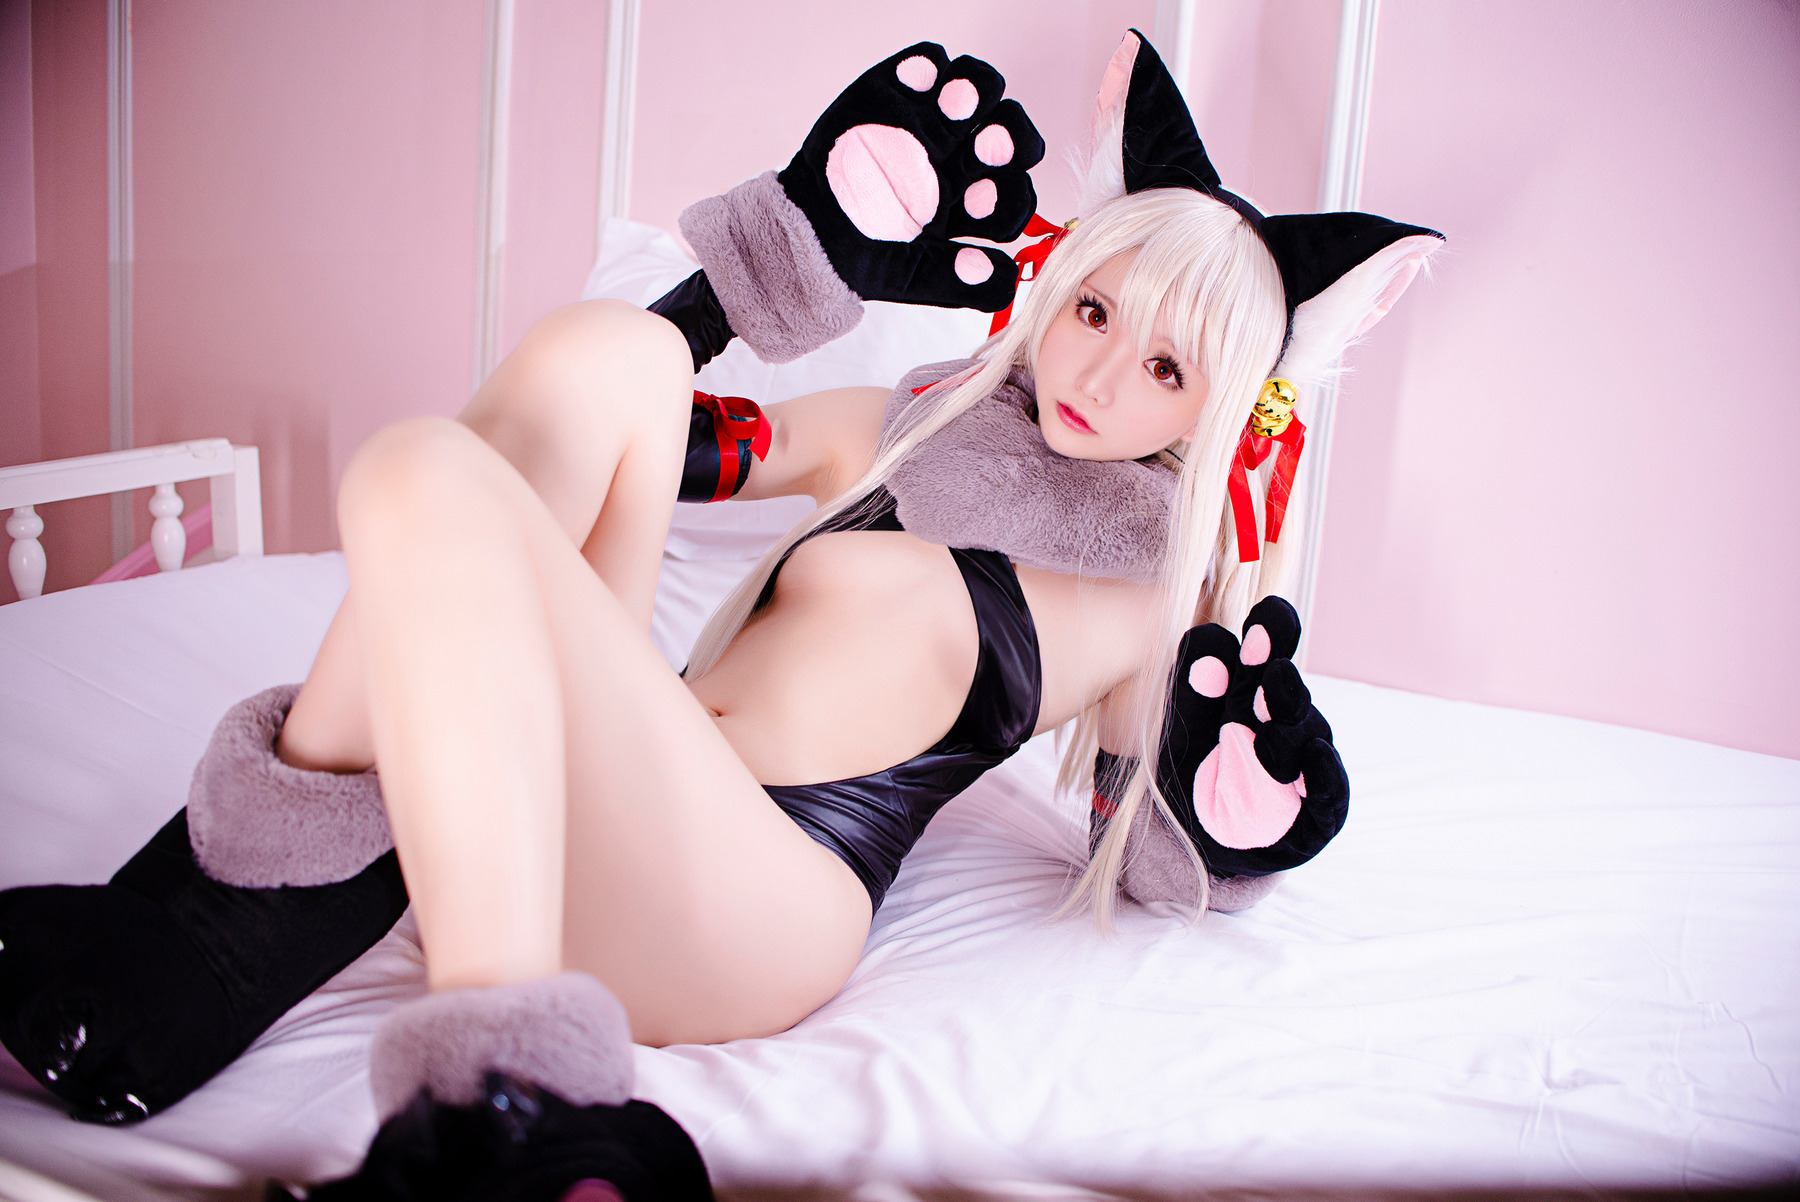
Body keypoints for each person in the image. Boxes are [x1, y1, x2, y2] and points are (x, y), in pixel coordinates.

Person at [0, 32, 1439, 1197]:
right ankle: (222, 959)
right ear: (1054, 290)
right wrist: (798, 245)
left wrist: (1239, 794)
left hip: (759, 904)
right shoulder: (909, 424)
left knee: (424, 476)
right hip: (615, 796)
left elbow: (1160, 843)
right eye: (1097, 313)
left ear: (1219, 410)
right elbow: (672, 426)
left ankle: (478, 1099)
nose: (1104, 376)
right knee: (590, 363)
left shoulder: (1148, 599)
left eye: (1170, 371)